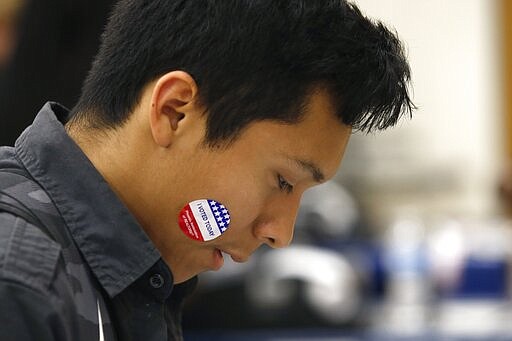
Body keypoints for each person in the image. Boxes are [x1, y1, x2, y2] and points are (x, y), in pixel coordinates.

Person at [0, 0, 414, 340]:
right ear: (174, 111)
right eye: (283, 181)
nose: (280, 234)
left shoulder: (143, 275)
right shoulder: (22, 285)